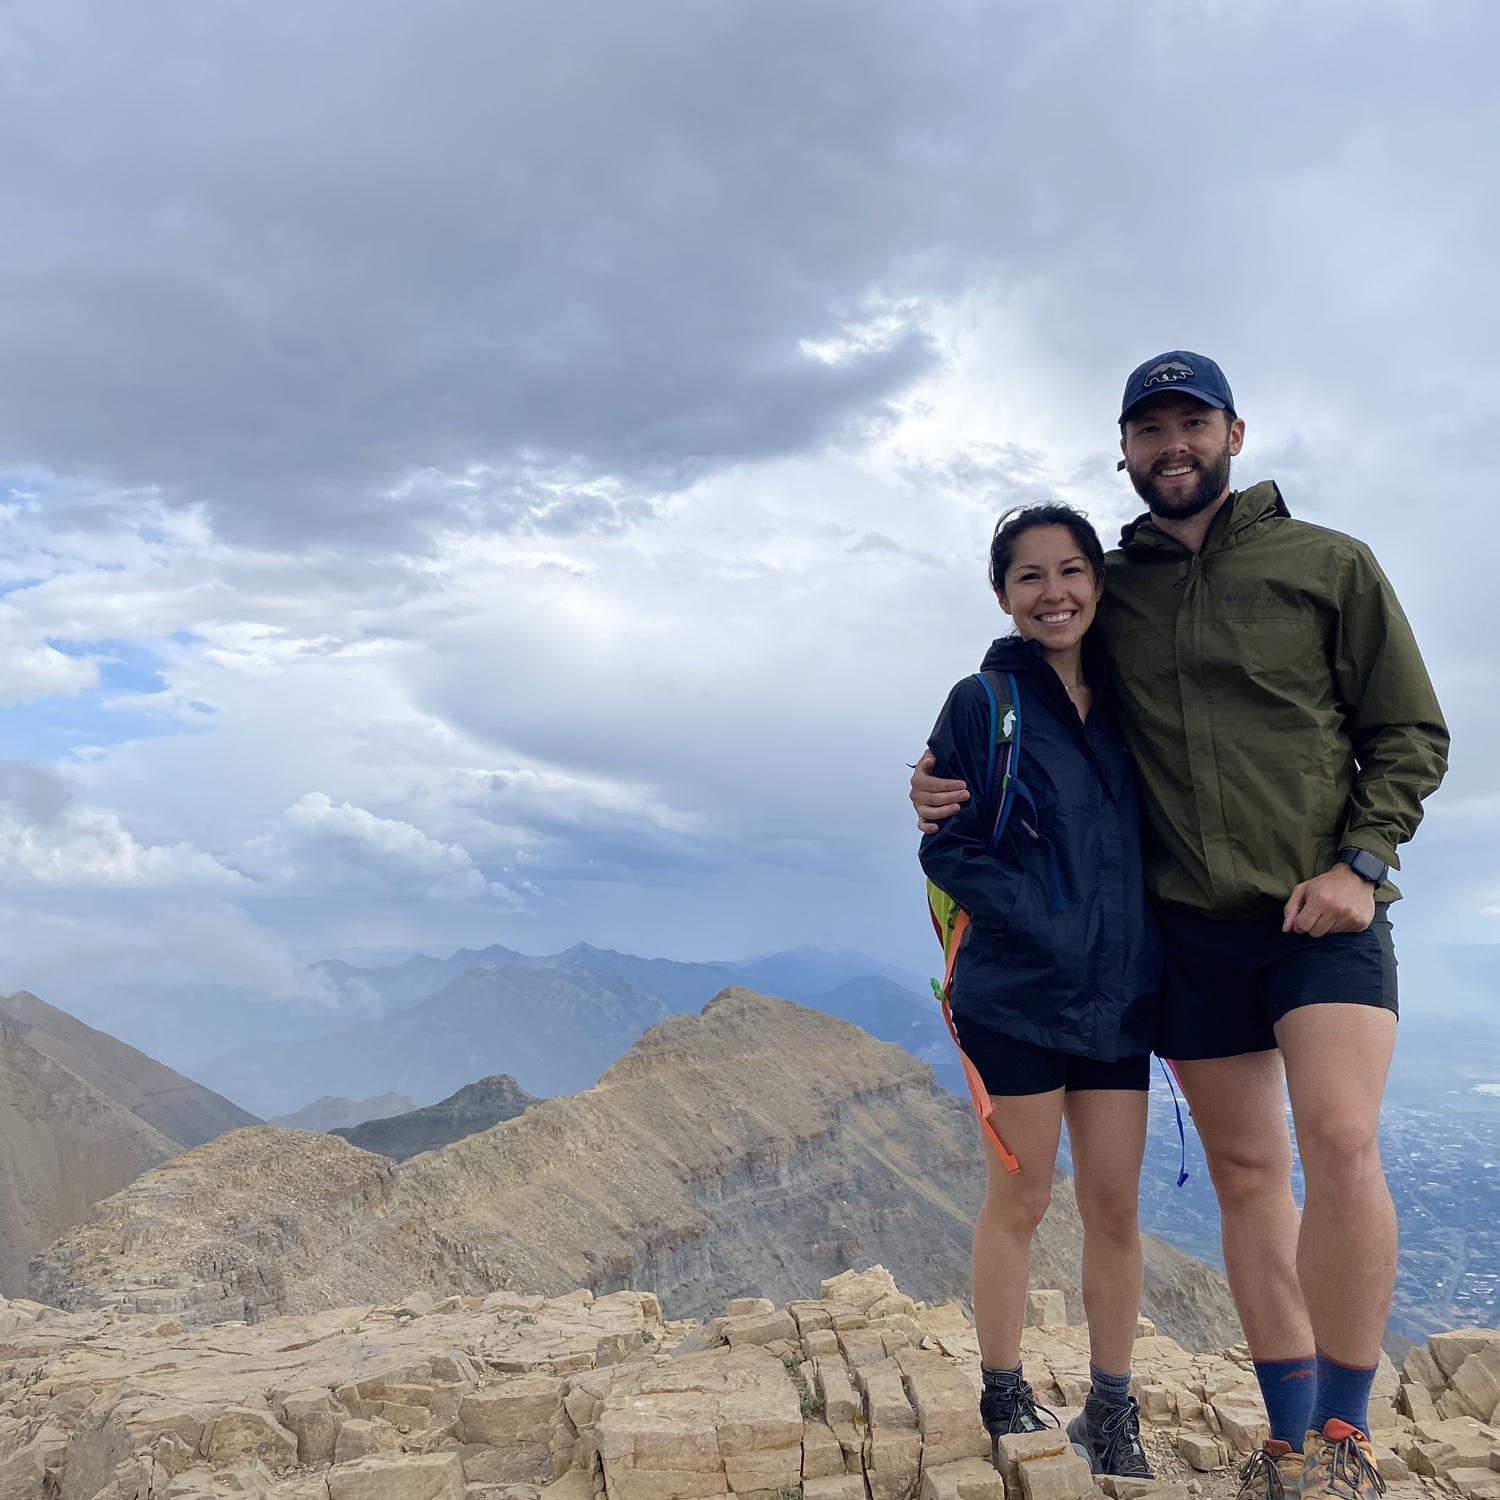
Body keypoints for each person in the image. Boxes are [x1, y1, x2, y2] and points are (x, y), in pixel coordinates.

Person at [911, 352, 1449, 1500]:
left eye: (1191, 422)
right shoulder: (1120, 586)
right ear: (1124, 450)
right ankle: (1287, 1436)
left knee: (1342, 1143)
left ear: (1234, 433)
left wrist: (1363, 860)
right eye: (1149, 427)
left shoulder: (1329, 565)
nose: (1173, 443)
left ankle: (1344, 1439)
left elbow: (1409, 730)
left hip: (1321, 911)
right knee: (1249, 1173)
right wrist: (938, 780)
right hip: (1185, 938)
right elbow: (1027, 697)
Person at [920, 502, 1160, 1479]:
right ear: (1003, 593)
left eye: (1071, 572)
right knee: (1019, 1203)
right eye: (1031, 576)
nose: (1053, 592)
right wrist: (1045, 923)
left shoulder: (1131, 702)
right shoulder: (982, 704)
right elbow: (947, 841)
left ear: (1097, 585)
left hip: (1118, 1003)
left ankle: (1111, 1407)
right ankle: (1004, 1386)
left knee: (1114, 1210)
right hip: (1017, 998)